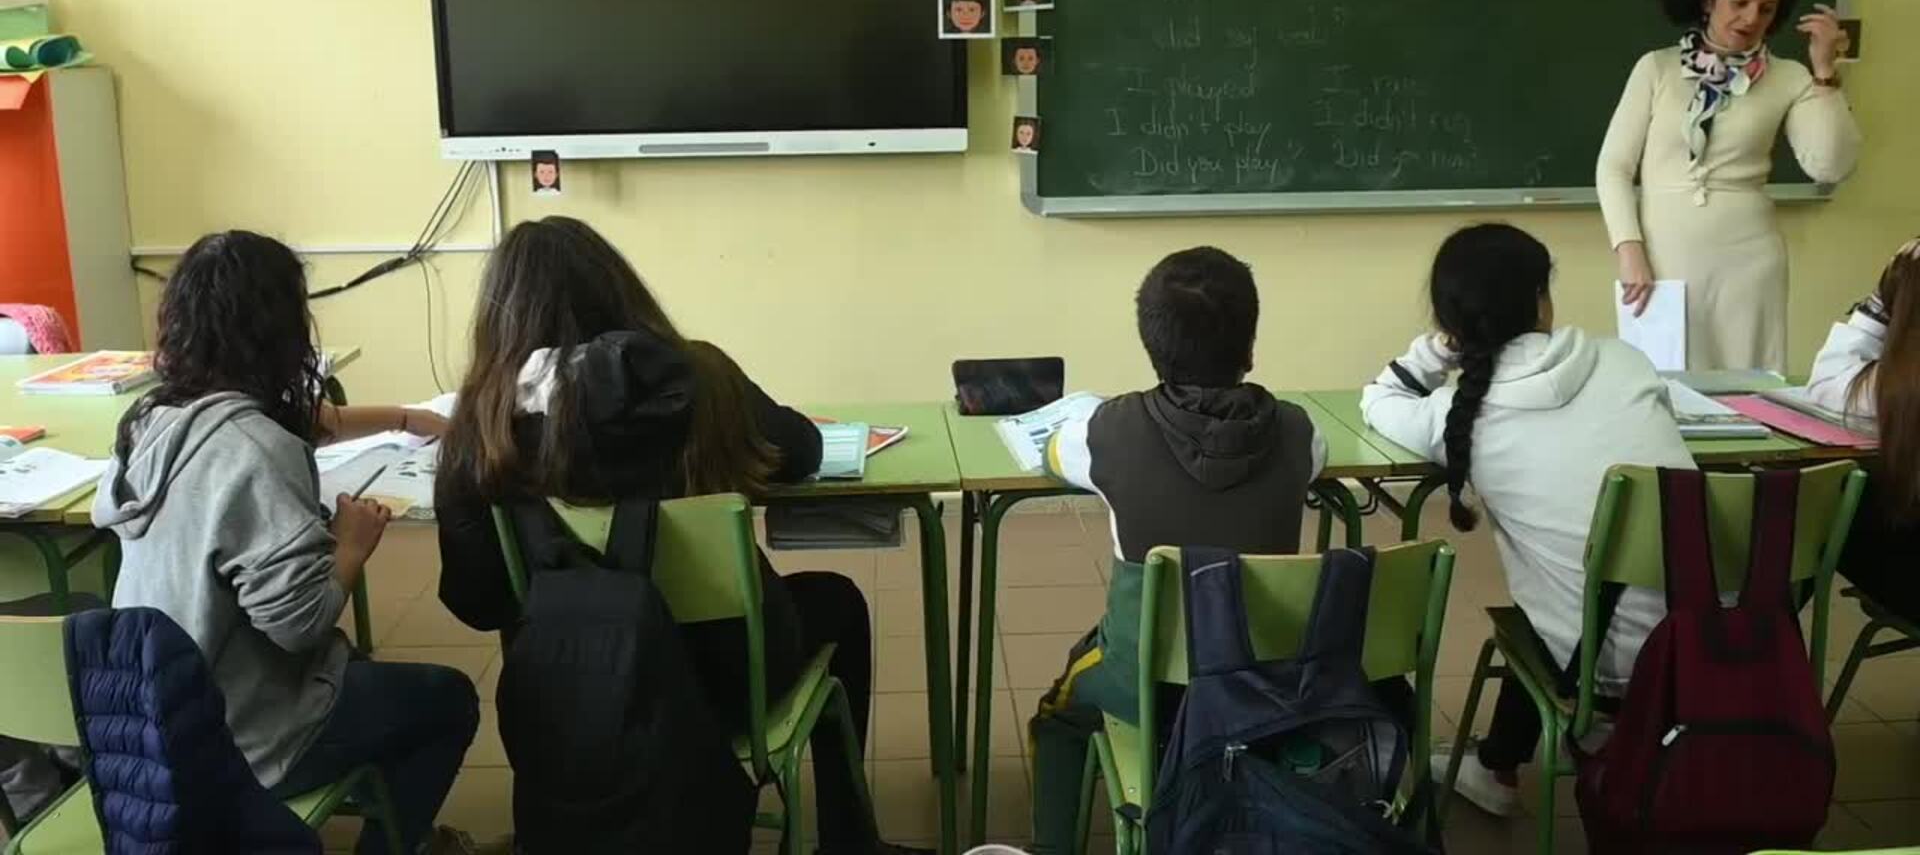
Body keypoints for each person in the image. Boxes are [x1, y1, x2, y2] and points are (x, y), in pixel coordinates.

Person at [432, 216, 924, 855]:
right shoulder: (694, 377)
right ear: (619, 289)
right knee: (838, 601)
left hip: (577, 696)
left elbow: (477, 602)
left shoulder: (481, 425)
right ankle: (847, 842)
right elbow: (800, 451)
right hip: (728, 673)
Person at [91, 230, 479, 855]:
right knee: (446, 699)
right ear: (283, 330)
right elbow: (297, 627)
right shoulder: (258, 451)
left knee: (362, 676)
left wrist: (404, 417)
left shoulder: (151, 423)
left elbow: (301, 425)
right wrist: (350, 546)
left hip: (145, 722)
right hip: (235, 738)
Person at [1362, 223, 1696, 818]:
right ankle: (1504, 760)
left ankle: (1511, 765)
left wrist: (1438, 348)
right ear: (1543, 297)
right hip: (1727, 638)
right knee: (1569, 579)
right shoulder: (1626, 361)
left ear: (1450, 321)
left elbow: (1380, 399)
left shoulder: (1458, 418)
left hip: (1610, 668)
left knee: (1550, 592)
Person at [1026, 247, 1329, 854]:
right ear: (1249, 347)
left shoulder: (1106, 432)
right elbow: (1313, 467)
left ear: (1151, 346)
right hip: (1266, 681)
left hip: (1143, 679)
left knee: (1057, 717)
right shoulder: (1301, 434)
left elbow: (1053, 454)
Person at [1598, 0, 1861, 372]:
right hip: (1663, 254)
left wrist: (1824, 72)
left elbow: (1830, 165)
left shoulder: (1789, 77)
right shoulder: (1657, 68)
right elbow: (1613, 168)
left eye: (1766, 9)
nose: (1750, 18)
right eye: (1739, 2)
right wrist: (1629, 249)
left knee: (1749, 393)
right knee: (1663, 389)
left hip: (1750, 260)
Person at [1806, 239, 1920, 622]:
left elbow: (1825, 383)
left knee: (1812, 506)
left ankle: (1755, 657)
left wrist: (1879, 301)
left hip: (1910, 581)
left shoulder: (1894, 390)